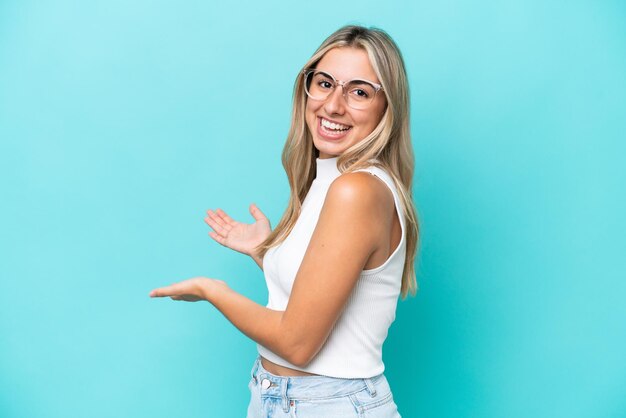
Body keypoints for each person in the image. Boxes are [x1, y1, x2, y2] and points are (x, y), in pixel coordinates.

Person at [149, 24, 419, 417]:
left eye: (359, 92)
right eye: (325, 83)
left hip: (329, 405)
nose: (333, 106)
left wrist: (213, 291)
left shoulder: (357, 190)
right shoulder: (333, 178)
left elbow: (297, 344)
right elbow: (324, 291)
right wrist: (267, 253)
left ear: (387, 107)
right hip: (277, 396)